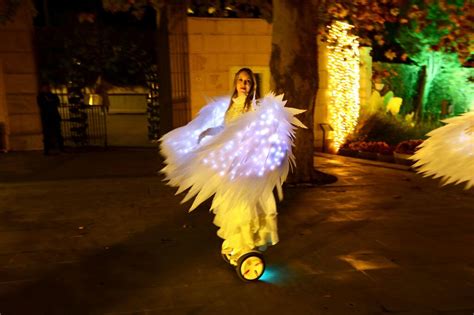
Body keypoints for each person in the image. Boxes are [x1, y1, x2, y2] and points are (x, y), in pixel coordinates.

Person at [160, 68, 305, 279]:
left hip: (246, 168)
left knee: (245, 205)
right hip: (230, 166)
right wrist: (207, 135)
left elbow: (258, 135)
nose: (244, 84)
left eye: (248, 81)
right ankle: (235, 245)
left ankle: (245, 245)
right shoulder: (229, 106)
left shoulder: (254, 109)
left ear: (252, 85)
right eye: (240, 80)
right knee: (231, 205)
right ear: (236, 83)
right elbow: (224, 129)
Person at [37, 83, 64, 155]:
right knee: (47, 134)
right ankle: (47, 150)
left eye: (47, 87)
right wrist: (50, 103)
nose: (46, 89)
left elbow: (57, 103)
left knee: (58, 133)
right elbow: (43, 105)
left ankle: (60, 148)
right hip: (46, 118)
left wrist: (49, 102)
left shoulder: (53, 96)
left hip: (54, 117)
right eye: (44, 88)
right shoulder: (41, 97)